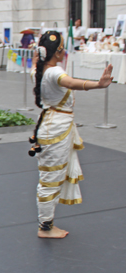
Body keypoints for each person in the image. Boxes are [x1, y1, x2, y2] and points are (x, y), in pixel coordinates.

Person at [29, 31, 113, 239]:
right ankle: (45, 227)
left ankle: (46, 223)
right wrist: (98, 85)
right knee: (51, 177)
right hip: (55, 127)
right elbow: (70, 82)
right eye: (62, 48)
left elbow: (37, 66)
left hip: (52, 124)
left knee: (52, 175)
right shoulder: (53, 72)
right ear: (58, 52)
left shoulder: (39, 71)